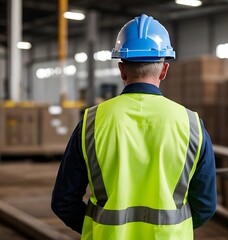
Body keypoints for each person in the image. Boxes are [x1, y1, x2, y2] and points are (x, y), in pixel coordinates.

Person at [51, 14, 217, 239]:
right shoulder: (192, 125)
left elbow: (63, 201)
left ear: (121, 69)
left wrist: (98, 228)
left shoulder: (91, 123)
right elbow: (205, 205)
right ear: (164, 70)